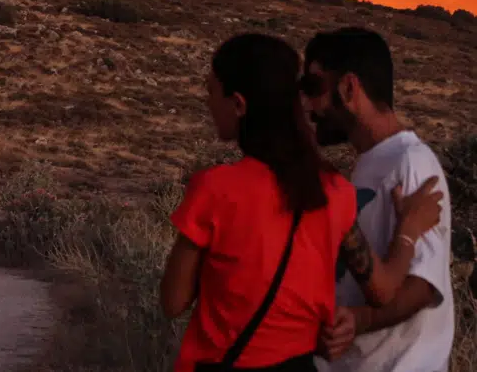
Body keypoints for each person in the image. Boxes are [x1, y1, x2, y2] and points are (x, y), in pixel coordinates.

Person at [161, 33, 443, 372]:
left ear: (239, 104)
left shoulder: (213, 188)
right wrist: (408, 231)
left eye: (210, 91)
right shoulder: (334, 191)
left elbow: (173, 301)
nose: (207, 102)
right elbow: (382, 290)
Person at [303, 27, 454, 372]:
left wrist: (359, 320)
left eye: (314, 88)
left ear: (349, 88)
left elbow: (422, 287)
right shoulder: (369, 165)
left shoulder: (412, 162)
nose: (309, 104)